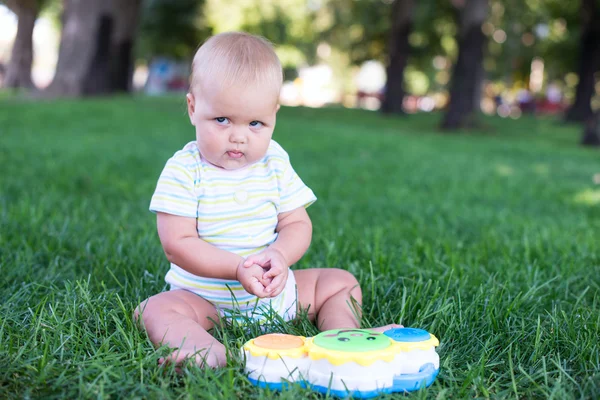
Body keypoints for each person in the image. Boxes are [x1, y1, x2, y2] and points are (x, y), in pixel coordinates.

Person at [135, 32, 399, 368]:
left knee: (339, 282)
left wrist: (280, 254)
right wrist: (236, 268)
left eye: (256, 123)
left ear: (274, 114)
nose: (239, 135)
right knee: (155, 309)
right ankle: (213, 354)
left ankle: (341, 340)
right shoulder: (184, 170)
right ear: (192, 107)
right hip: (206, 301)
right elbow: (177, 243)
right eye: (222, 119)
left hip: (278, 295)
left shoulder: (274, 161)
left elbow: (296, 223)